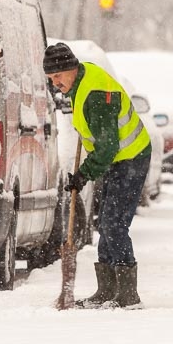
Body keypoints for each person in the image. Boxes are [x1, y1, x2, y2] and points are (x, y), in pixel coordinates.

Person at [43, 42, 152, 309]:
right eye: (51, 79)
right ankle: (106, 290)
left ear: (72, 69)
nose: (55, 83)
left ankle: (128, 295)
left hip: (131, 157)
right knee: (105, 222)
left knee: (114, 224)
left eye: (58, 76)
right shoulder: (79, 83)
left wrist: (84, 175)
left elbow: (108, 146)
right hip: (116, 159)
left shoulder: (95, 92)